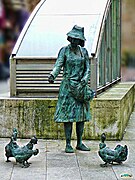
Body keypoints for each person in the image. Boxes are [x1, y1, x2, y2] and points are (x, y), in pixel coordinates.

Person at [48, 25, 94, 153]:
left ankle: (79, 142)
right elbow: (58, 64)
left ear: (80, 41)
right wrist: (53, 75)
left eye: (77, 39)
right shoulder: (64, 51)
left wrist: (85, 78)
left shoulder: (83, 52)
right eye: (72, 38)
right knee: (68, 116)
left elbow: (87, 68)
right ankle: (68, 143)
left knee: (81, 116)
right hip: (67, 87)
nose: (74, 41)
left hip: (80, 87)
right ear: (69, 38)